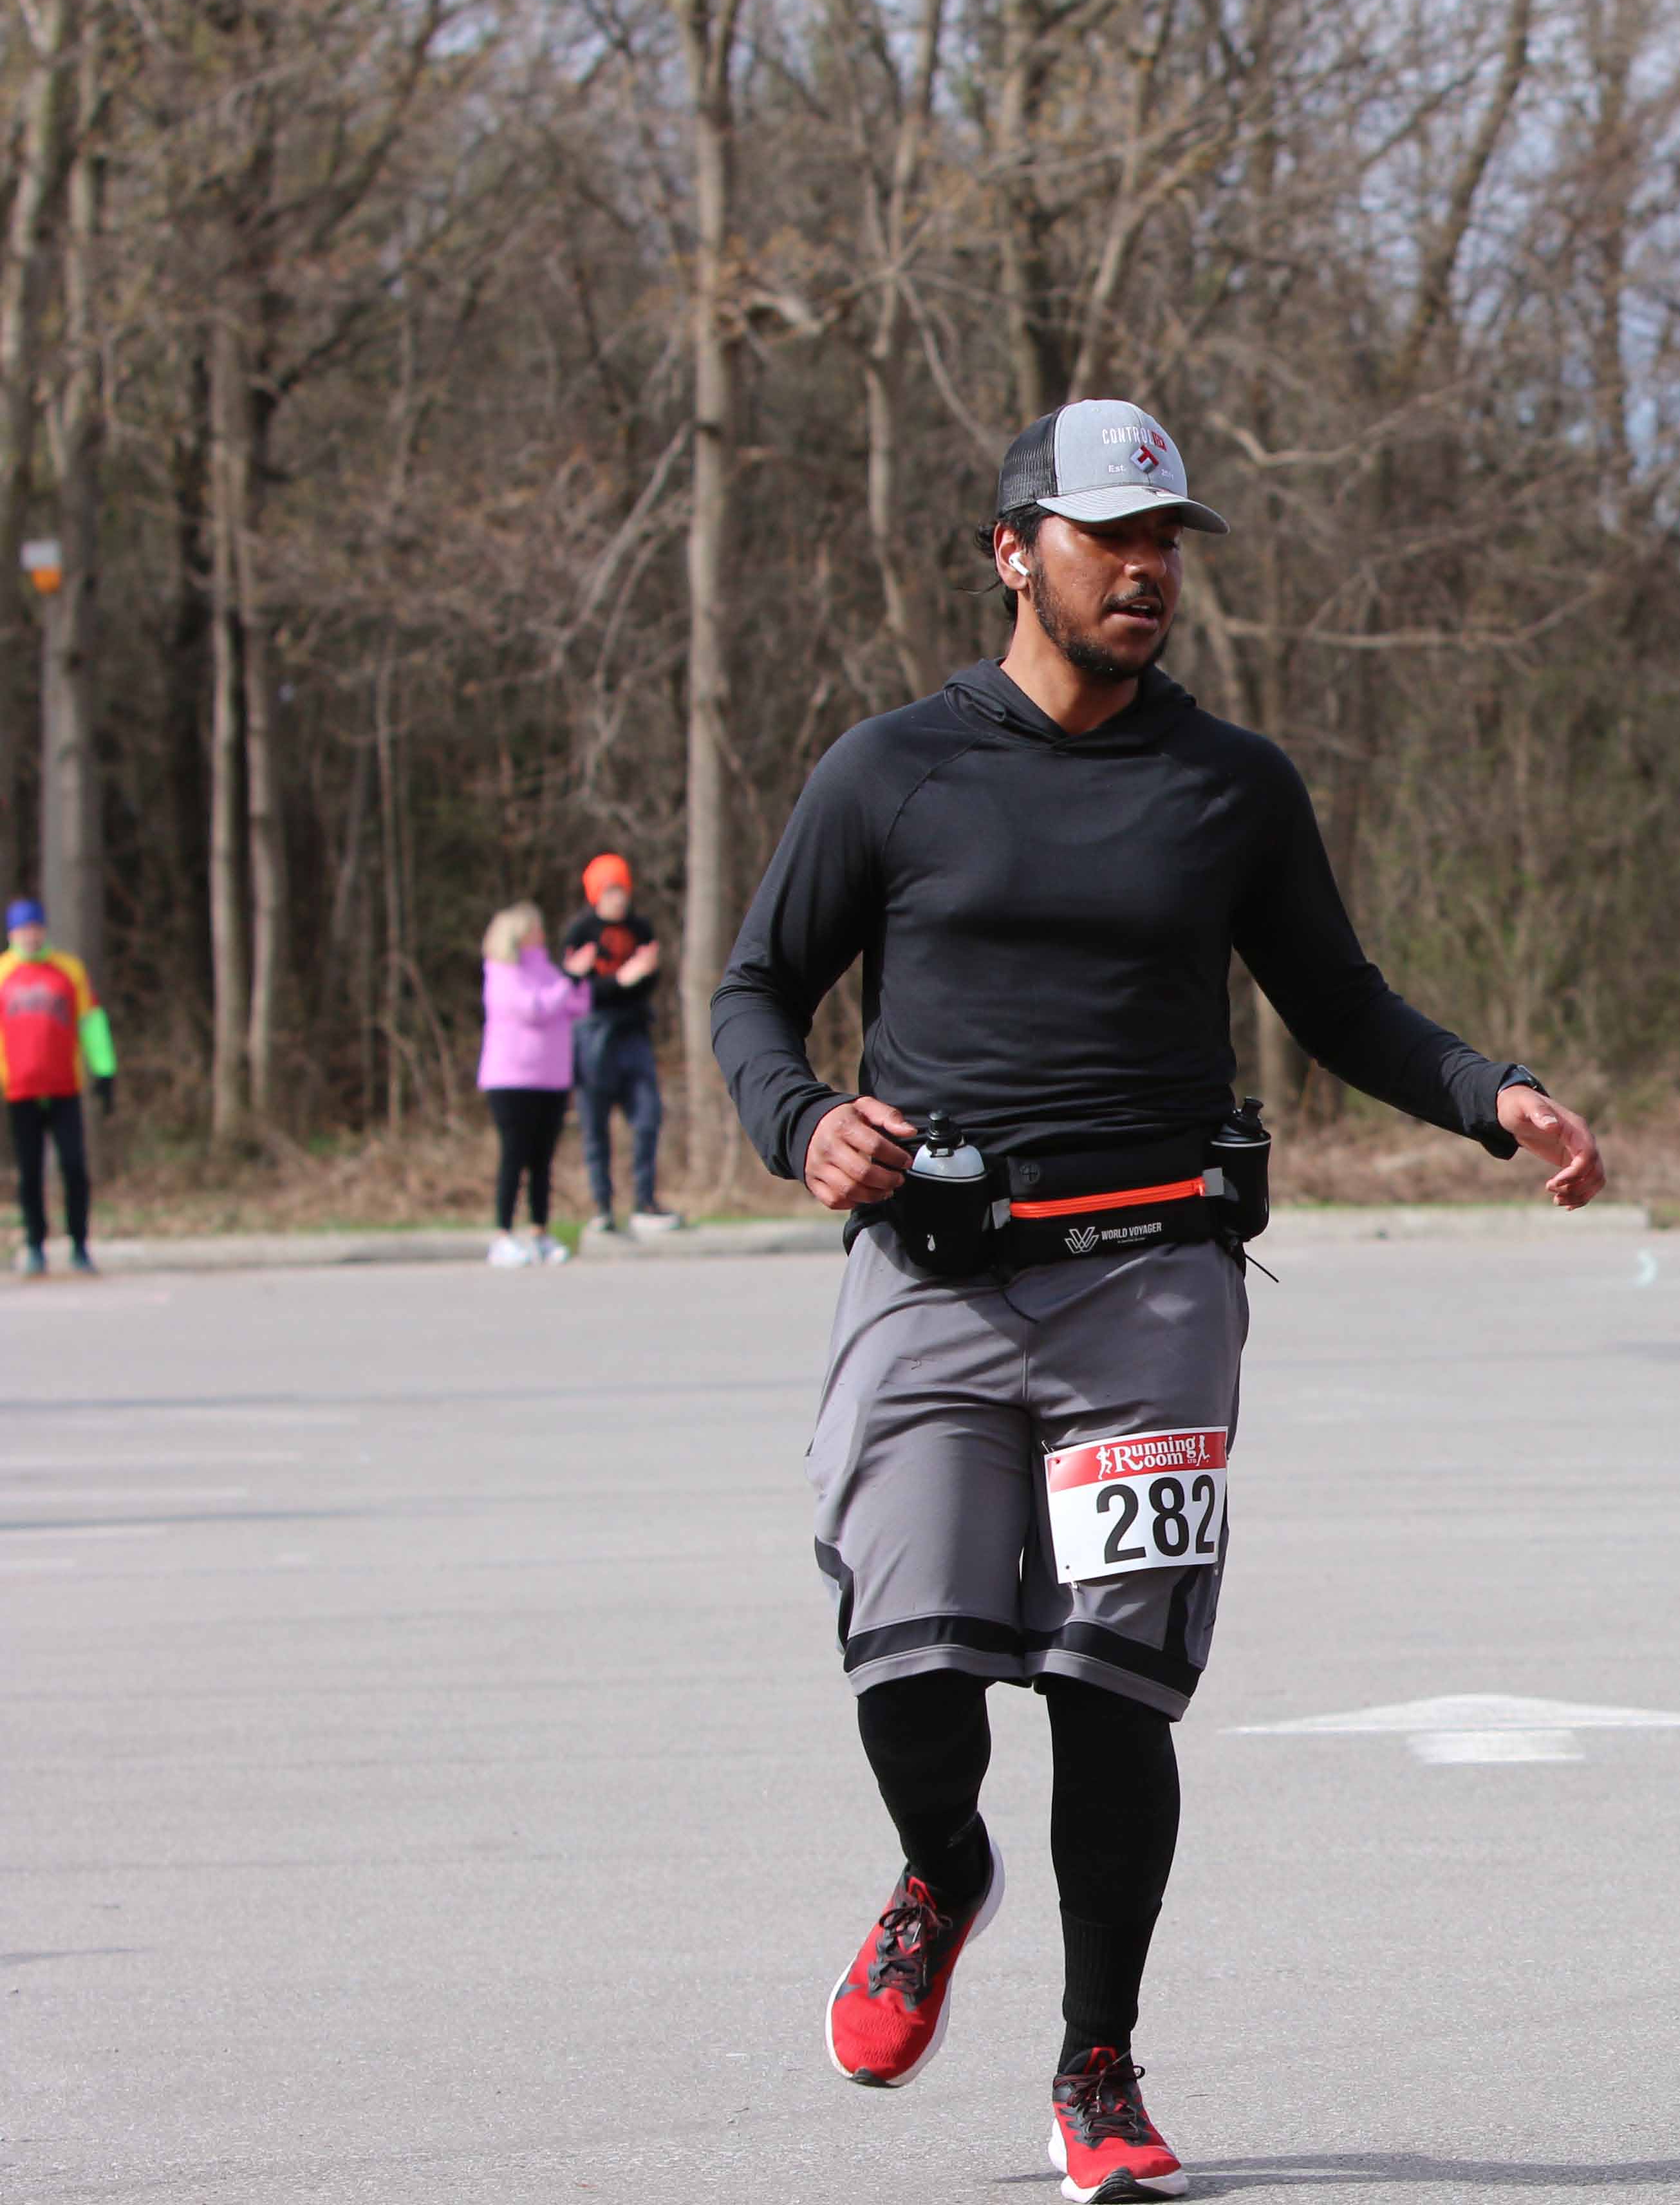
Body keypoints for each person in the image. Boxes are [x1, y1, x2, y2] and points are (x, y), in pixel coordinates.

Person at [713, 397, 1605, 2204]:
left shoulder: (1228, 784)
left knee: (1112, 1691)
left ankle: (1097, 2063)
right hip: (933, 1281)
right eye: (1108, 537)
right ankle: (942, 1870)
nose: (1145, 570)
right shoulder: (889, 771)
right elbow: (752, 991)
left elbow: (1339, 1000)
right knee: (911, 1661)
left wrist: (1488, 1094)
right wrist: (802, 1121)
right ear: (1012, 552)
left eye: (1164, 542)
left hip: (1153, 1289)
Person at [563, 854, 678, 1236]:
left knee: (648, 1116)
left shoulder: (640, 928)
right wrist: (621, 980)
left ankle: (645, 1201)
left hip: (634, 1033)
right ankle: (602, 1206)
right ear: (597, 894)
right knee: (595, 1124)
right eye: (611, 891)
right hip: (594, 1034)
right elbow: (575, 989)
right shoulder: (581, 931)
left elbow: (647, 982)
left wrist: (644, 974)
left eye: (623, 891)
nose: (619, 899)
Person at [2, 897, 113, 1277]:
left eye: (35, 929)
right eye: (22, 930)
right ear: (12, 934)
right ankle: (35, 1246)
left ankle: (80, 1245)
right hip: (21, 1091)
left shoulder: (68, 970)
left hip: (65, 1087)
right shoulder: (3, 973)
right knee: (30, 1172)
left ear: (44, 930)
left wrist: (105, 1070)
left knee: (74, 1167)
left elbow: (91, 1021)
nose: (30, 937)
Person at [477, 903, 589, 1268]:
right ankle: (503, 1235)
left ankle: (540, 1232)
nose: (541, 934)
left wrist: (579, 977)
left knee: (543, 1160)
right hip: (511, 1080)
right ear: (518, 934)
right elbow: (532, 1008)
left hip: (551, 1078)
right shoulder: (501, 971)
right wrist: (568, 980)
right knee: (514, 1156)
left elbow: (577, 1005)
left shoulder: (547, 969)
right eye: (535, 928)